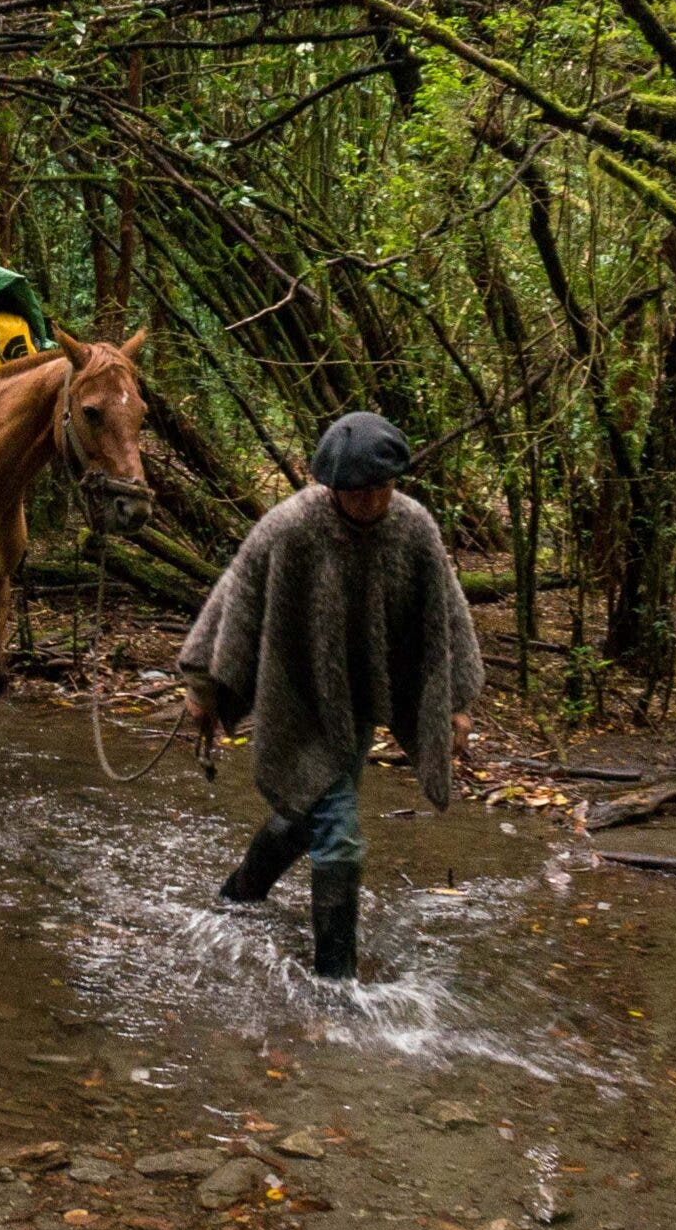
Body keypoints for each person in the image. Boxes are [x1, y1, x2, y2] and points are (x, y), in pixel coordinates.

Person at [178, 411, 482, 981]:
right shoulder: (290, 526)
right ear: (331, 487)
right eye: (356, 491)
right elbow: (234, 599)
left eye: (381, 488)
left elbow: (445, 616)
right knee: (339, 836)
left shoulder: (414, 527)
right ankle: (335, 984)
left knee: (305, 812)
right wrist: (202, 686)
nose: (370, 501)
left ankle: (238, 896)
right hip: (294, 700)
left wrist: (456, 703)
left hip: (361, 702)